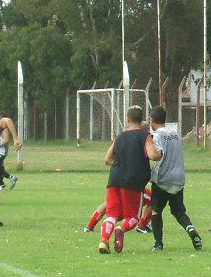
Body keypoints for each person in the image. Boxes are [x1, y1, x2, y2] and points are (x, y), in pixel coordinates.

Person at [98, 106, 158, 254]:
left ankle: (104, 241)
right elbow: (152, 155)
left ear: (128, 119)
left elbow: (107, 159)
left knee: (111, 214)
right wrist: (161, 153)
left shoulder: (120, 137)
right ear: (141, 119)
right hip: (132, 181)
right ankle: (121, 229)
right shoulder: (145, 136)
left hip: (114, 179)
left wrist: (122, 164)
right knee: (132, 218)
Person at [149, 106, 202, 251]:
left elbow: (157, 154)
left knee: (156, 211)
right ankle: (190, 228)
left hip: (162, 179)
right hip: (178, 177)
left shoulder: (156, 136)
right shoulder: (175, 133)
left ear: (152, 120)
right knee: (178, 211)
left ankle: (158, 243)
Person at [84, 189, 152, 233]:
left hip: (116, 180)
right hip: (131, 184)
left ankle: (90, 226)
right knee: (154, 199)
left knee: (110, 203)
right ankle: (142, 225)